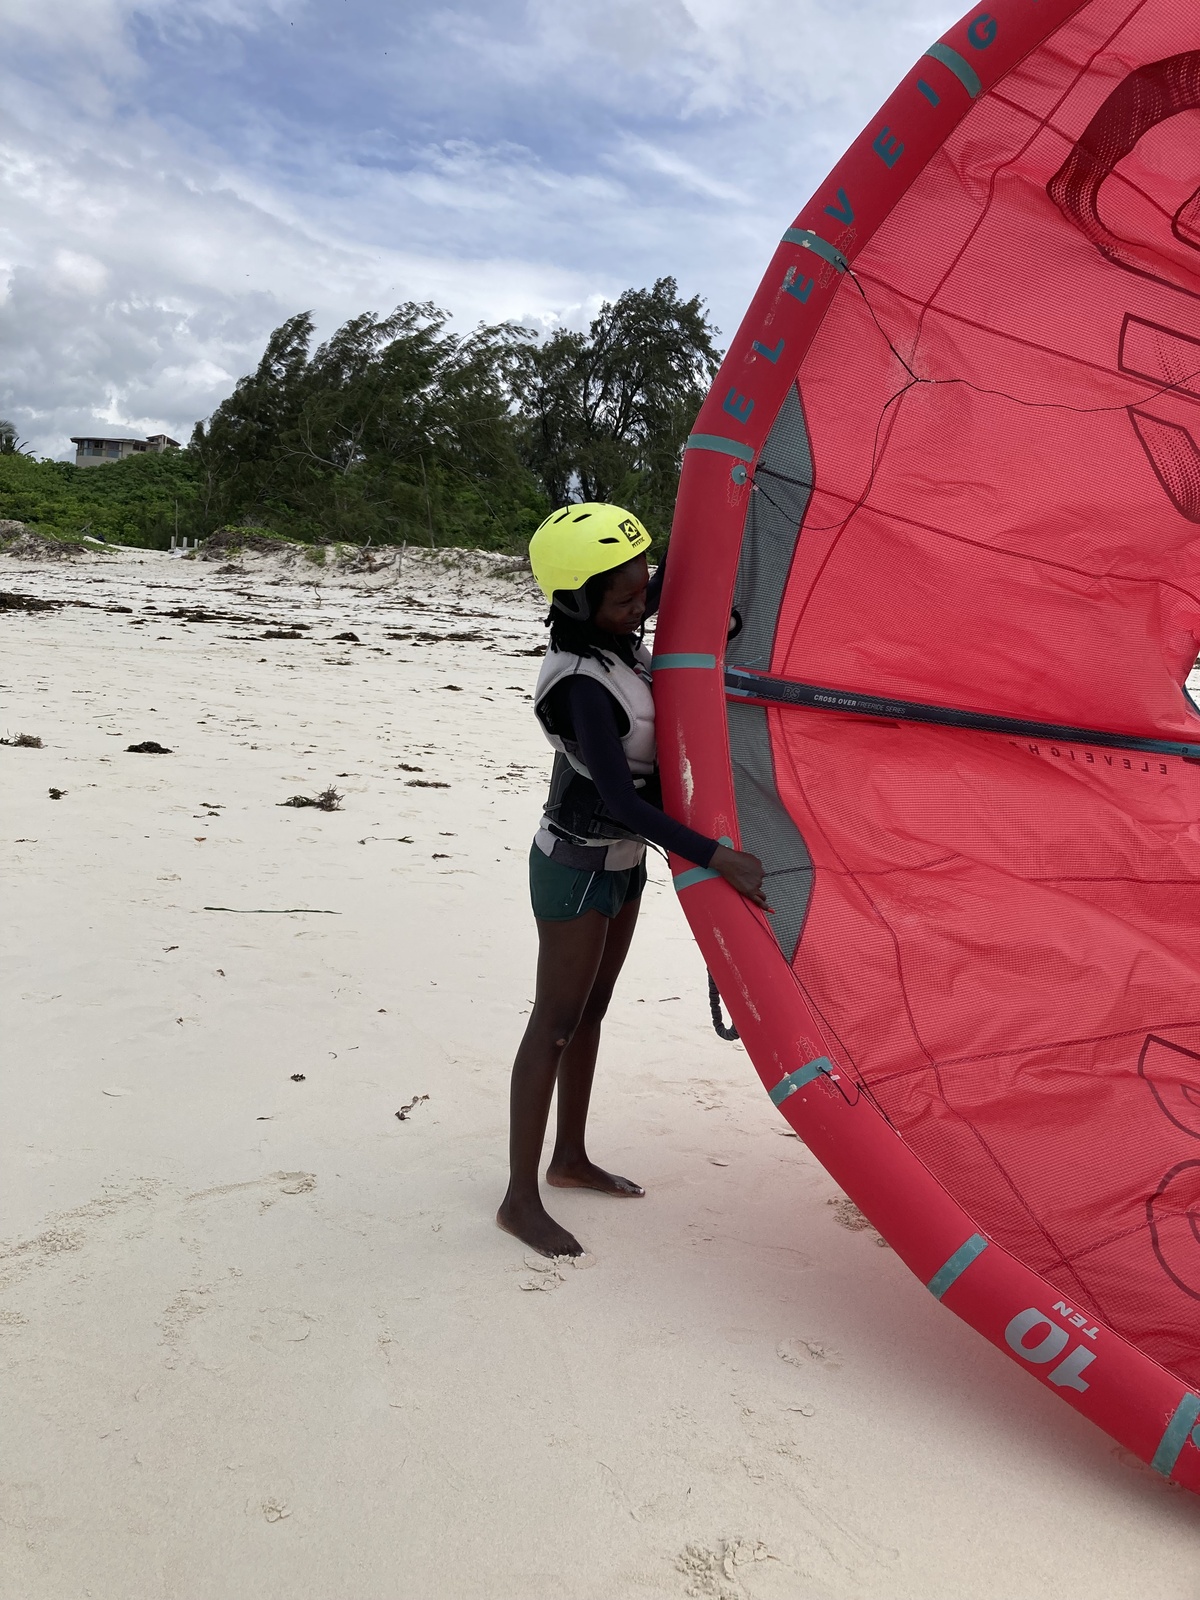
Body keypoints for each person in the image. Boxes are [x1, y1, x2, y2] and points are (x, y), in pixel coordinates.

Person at [497, 502, 767, 1258]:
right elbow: (619, 799)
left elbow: (679, 564)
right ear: (576, 601)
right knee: (554, 1023)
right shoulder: (580, 684)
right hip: (574, 865)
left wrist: (733, 495)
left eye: (638, 589)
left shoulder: (612, 631)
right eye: (623, 599)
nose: (638, 605)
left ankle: (570, 1159)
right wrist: (715, 857)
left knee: (592, 1014)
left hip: (621, 862)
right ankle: (519, 1200)